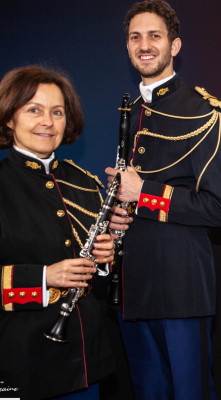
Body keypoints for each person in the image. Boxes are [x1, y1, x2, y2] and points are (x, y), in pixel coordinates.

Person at [104, 1, 221, 399]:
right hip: (131, 287)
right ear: (127, 47)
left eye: (154, 36)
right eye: (135, 37)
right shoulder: (132, 112)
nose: (144, 45)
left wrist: (144, 194)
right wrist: (118, 211)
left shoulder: (205, 112)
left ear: (174, 46)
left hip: (181, 288)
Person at [0, 66, 115, 400]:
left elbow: (103, 278)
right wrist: (45, 277)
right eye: (33, 110)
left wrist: (105, 260)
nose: (47, 122)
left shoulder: (85, 183)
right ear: (9, 118)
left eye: (57, 112)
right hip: (17, 363)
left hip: (83, 360)